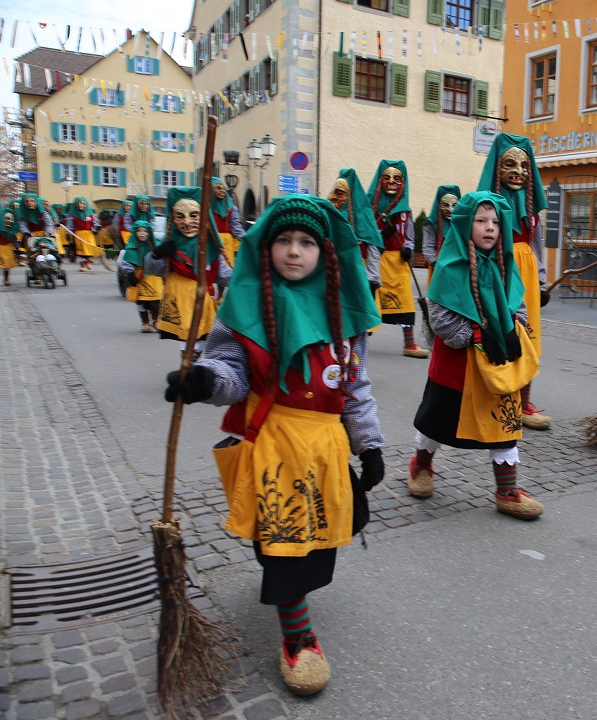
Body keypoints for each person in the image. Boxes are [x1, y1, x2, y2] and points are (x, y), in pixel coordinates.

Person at [163, 194, 384, 696]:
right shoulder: (244, 309)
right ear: (266, 249)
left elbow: (355, 387)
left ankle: (295, 602)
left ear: (324, 253)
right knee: (285, 547)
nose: (293, 250)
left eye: (306, 241)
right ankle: (298, 637)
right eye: (283, 239)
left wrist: (368, 444)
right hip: (276, 444)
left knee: (316, 544)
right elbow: (232, 372)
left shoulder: (341, 314)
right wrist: (203, 380)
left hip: (325, 448)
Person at [407, 191, 543, 519]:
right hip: (457, 365)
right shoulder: (450, 266)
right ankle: (421, 464)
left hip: (498, 361)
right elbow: (439, 314)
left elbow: (517, 302)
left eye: (495, 222)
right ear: (467, 223)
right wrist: (473, 336)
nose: (490, 227)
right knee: (437, 422)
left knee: (503, 423)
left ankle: (507, 490)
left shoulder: (503, 264)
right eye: (481, 220)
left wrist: (514, 329)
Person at [476, 133, 551, 430]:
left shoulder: (531, 210)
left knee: (529, 338)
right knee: (498, 332)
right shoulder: (486, 209)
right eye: (510, 164)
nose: (518, 172)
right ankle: (497, 396)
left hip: (528, 274)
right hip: (498, 271)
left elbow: (537, 246)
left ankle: (524, 403)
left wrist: (542, 282)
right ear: (497, 168)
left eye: (524, 165)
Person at [144, 188, 231, 350]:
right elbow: (154, 269)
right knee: (189, 342)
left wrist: (245, 277)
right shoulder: (171, 247)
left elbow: (223, 275)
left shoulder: (210, 248)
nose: (187, 222)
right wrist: (156, 254)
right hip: (180, 302)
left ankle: (192, 369)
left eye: (194, 215)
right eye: (180, 216)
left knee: (204, 342)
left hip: (204, 301)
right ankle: (189, 368)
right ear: (173, 219)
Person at [368, 160, 428, 358]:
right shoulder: (371, 208)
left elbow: (409, 237)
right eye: (387, 177)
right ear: (380, 180)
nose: (392, 181)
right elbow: (367, 232)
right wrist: (383, 234)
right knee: (370, 301)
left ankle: (409, 344)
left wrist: (409, 249)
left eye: (397, 178)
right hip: (376, 261)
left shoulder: (405, 212)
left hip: (398, 263)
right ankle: (358, 342)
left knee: (404, 302)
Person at [327, 169, 383, 297]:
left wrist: (372, 279)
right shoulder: (330, 213)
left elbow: (373, 248)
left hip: (360, 272)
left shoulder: (364, 216)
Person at [118, 220, 164, 333]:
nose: (142, 233)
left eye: (145, 231)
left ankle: (155, 321)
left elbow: (162, 261)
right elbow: (126, 262)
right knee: (141, 302)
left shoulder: (155, 246)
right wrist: (129, 274)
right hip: (139, 278)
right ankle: (145, 322)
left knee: (156, 301)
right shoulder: (130, 248)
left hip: (153, 278)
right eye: (139, 231)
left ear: (149, 233)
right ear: (135, 232)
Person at [421, 185, 461, 284]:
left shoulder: (463, 223)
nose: (450, 209)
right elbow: (427, 247)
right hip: (437, 267)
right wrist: (436, 263)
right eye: (445, 205)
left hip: (458, 267)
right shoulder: (431, 224)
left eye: (454, 205)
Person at [211, 177, 245, 265]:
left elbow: (236, 229)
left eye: (222, 188)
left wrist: (248, 239)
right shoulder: (204, 207)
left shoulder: (231, 208)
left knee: (227, 271)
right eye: (218, 188)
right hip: (210, 242)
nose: (222, 191)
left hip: (226, 244)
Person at [65, 197, 102, 272]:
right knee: (81, 250)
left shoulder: (90, 214)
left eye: (82, 203)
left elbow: (94, 223)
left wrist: (96, 227)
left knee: (89, 249)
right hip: (79, 234)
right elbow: (70, 225)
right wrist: (69, 233)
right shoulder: (73, 215)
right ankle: (82, 264)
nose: (80, 205)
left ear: (85, 204)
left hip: (89, 234)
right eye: (78, 203)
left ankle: (88, 261)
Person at [0, 210, 17, 285]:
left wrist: (18, 248)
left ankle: (6, 279)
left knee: (7, 264)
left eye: (9, 219)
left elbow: (15, 240)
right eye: (6, 219)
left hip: (8, 247)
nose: (8, 221)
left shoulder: (13, 229)